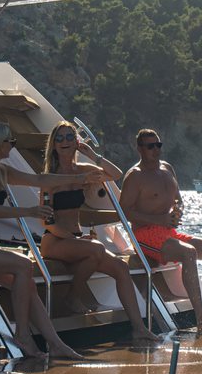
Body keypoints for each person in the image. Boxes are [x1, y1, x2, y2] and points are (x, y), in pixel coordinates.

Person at [0, 120, 105, 359]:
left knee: (27, 283)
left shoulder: (0, 171)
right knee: (23, 265)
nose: (12, 145)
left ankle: (55, 343)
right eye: (9, 141)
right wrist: (29, 211)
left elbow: (40, 181)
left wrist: (81, 178)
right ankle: (23, 335)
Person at [37, 121, 159, 345]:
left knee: (121, 268)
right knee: (95, 248)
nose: (65, 142)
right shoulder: (49, 178)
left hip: (79, 242)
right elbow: (47, 221)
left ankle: (139, 329)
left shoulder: (84, 172)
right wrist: (74, 238)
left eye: (69, 137)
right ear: (53, 144)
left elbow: (115, 174)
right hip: (55, 240)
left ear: (77, 141)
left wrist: (93, 155)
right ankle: (74, 296)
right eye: (60, 138)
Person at [119, 128, 202, 332]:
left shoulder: (167, 169)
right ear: (140, 149)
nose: (156, 150)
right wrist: (159, 219)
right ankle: (201, 319)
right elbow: (124, 211)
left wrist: (176, 210)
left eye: (158, 145)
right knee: (188, 253)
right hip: (144, 234)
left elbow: (178, 199)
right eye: (150, 146)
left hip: (168, 232)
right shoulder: (135, 176)